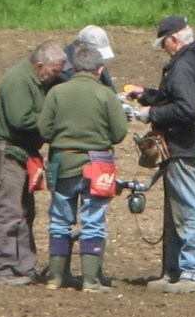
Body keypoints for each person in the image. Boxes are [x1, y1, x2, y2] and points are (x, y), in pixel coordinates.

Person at [126, 15, 195, 294]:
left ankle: (194, 273)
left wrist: (150, 114)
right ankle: (174, 272)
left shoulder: (182, 66)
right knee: (176, 210)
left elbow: (186, 108)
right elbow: (177, 98)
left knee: (186, 207)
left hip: (181, 145)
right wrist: (145, 94)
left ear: (174, 39)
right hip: (188, 143)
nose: (163, 49)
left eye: (164, 43)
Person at [38, 46, 129, 293]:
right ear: (99, 70)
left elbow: (44, 131)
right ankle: (90, 281)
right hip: (98, 165)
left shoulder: (56, 93)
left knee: (59, 220)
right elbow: (120, 132)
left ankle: (56, 277)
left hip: (62, 162)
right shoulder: (105, 94)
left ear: (74, 68)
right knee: (94, 221)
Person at [0, 40, 67, 287]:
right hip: (8, 153)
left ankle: (23, 267)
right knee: (8, 212)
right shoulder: (18, 80)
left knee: (25, 213)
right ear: (40, 65)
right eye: (54, 71)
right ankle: (0, 268)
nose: (57, 76)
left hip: (24, 154)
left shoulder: (40, 80)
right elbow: (21, 119)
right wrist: (54, 119)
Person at [57, 25, 117, 91]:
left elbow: (110, 88)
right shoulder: (63, 69)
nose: (98, 58)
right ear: (82, 47)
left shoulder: (96, 61)